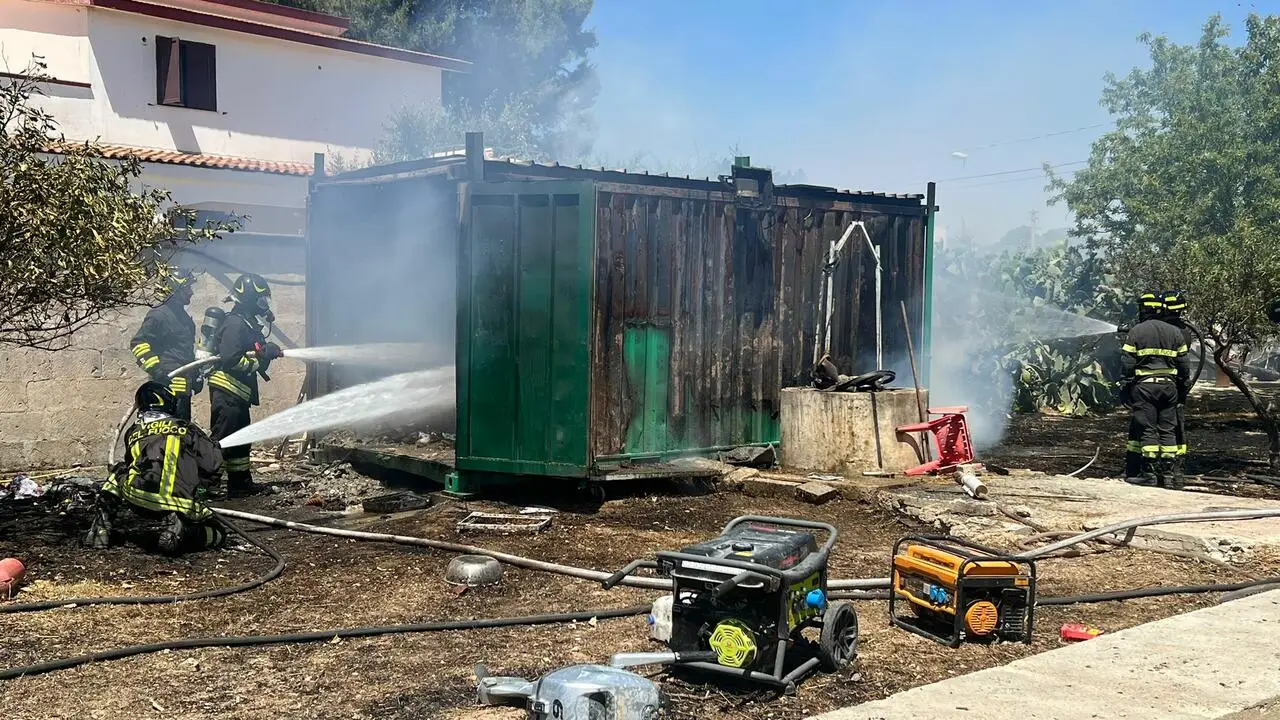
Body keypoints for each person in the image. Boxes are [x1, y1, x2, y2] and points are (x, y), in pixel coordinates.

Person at [84, 382, 225, 554]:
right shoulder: (186, 428)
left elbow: (132, 464)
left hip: (139, 499)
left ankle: (101, 529)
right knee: (219, 533)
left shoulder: (133, 432)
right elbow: (212, 466)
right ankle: (186, 534)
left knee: (119, 472)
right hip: (181, 503)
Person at [207, 273, 282, 497]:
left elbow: (253, 352)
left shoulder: (247, 324)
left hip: (237, 395)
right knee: (223, 440)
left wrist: (266, 353)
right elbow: (231, 359)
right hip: (227, 392)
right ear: (249, 299)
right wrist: (259, 360)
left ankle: (239, 484)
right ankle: (206, 485)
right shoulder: (235, 324)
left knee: (240, 441)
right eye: (260, 299)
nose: (264, 304)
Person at [1119, 292, 1191, 489]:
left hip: (1145, 387)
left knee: (1147, 429)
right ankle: (1168, 476)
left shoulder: (1136, 331)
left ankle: (1149, 474)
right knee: (1168, 430)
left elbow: (1127, 361)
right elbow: (1184, 363)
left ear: (1145, 309)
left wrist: (1125, 384)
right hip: (1170, 387)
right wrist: (1183, 385)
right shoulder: (1175, 332)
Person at [129, 269, 200, 421]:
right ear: (175, 289)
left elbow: (183, 352)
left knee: (182, 434)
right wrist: (157, 370)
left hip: (183, 391)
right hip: (164, 391)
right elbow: (138, 343)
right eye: (187, 288)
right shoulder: (159, 315)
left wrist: (195, 375)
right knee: (166, 436)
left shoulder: (184, 318)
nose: (191, 292)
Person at [1161, 290, 1193, 467]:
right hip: (1176, 385)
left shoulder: (1165, 331)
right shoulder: (1184, 331)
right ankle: (1176, 465)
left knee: (1154, 424)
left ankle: (1153, 464)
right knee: (1175, 422)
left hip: (1163, 383)